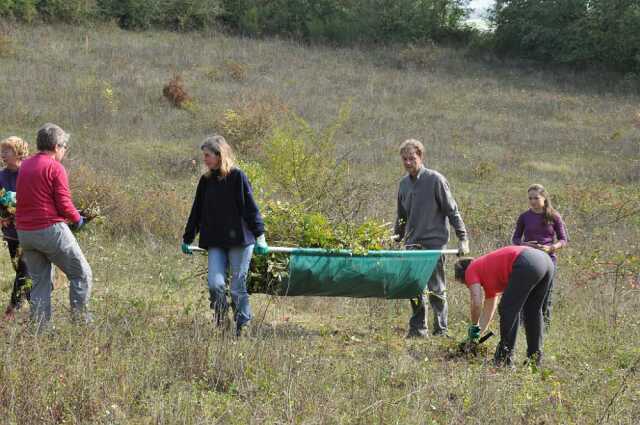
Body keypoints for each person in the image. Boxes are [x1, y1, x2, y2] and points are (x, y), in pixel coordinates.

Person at [182, 135, 268, 337]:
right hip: (216, 242)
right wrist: (188, 238)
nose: (205, 159)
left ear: (220, 155)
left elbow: (250, 208)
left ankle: (243, 326)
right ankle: (222, 323)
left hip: (240, 241)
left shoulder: (238, 177)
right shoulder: (206, 181)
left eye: (207, 155)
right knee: (215, 285)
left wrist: (260, 236)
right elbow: (197, 210)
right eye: (204, 155)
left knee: (238, 288)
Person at [15, 123, 92, 329]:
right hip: (49, 230)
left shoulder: (25, 166)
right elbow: (64, 203)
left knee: (40, 284)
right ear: (57, 146)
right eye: (64, 146)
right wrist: (78, 220)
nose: (65, 151)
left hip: (25, 233)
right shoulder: (55, 167)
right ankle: (81, 326)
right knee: (81, 274)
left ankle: (41, 331)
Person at [394, 139, 469, 337]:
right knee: (414, 288)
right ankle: (418, 329)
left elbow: (452, 211)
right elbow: (401, 216)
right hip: (412, 244)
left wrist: (463, 238)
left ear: (420, 157)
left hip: (434, 244)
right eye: (405, 159)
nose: (408, 163)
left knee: (436, 288)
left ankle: (441, 329)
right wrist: (396, 238)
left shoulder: (435, 180)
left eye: (412, 158)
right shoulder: (403, 185)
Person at [454, 246, 555, 367]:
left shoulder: (471, 269)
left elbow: (476, 303)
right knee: (532, 311)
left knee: (507, 309)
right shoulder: (487, 272)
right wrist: (477, 334)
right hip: (545, 261)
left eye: (464, 283)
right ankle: (534, 360)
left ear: (463, 276)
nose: (467, 285)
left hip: (526, 262)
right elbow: (488, 310)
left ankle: (504, 358)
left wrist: (474, 326)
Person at [511, 184, 568, 326]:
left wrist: (551, 248)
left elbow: (563, 240)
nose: (533, 201)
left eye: (536, 198)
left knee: (546, 295)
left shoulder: (554, 216)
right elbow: (515, 239)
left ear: (544, 198)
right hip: (528, 260)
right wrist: (526, 245)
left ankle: (545, 328)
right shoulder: (524, 217)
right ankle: (525, 326)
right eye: (530, 198)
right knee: (526, 293)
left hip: (549, 260)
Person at [1, 136, 31, 321]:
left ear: (19, 153)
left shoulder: (28, 173)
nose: (3, 154)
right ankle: (32, 301)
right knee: (19, 268)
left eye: (7, 150)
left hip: (29, 228)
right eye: (2, 150)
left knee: (24, 268)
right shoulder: (0, 175)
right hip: (10, 231)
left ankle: (13, 308)